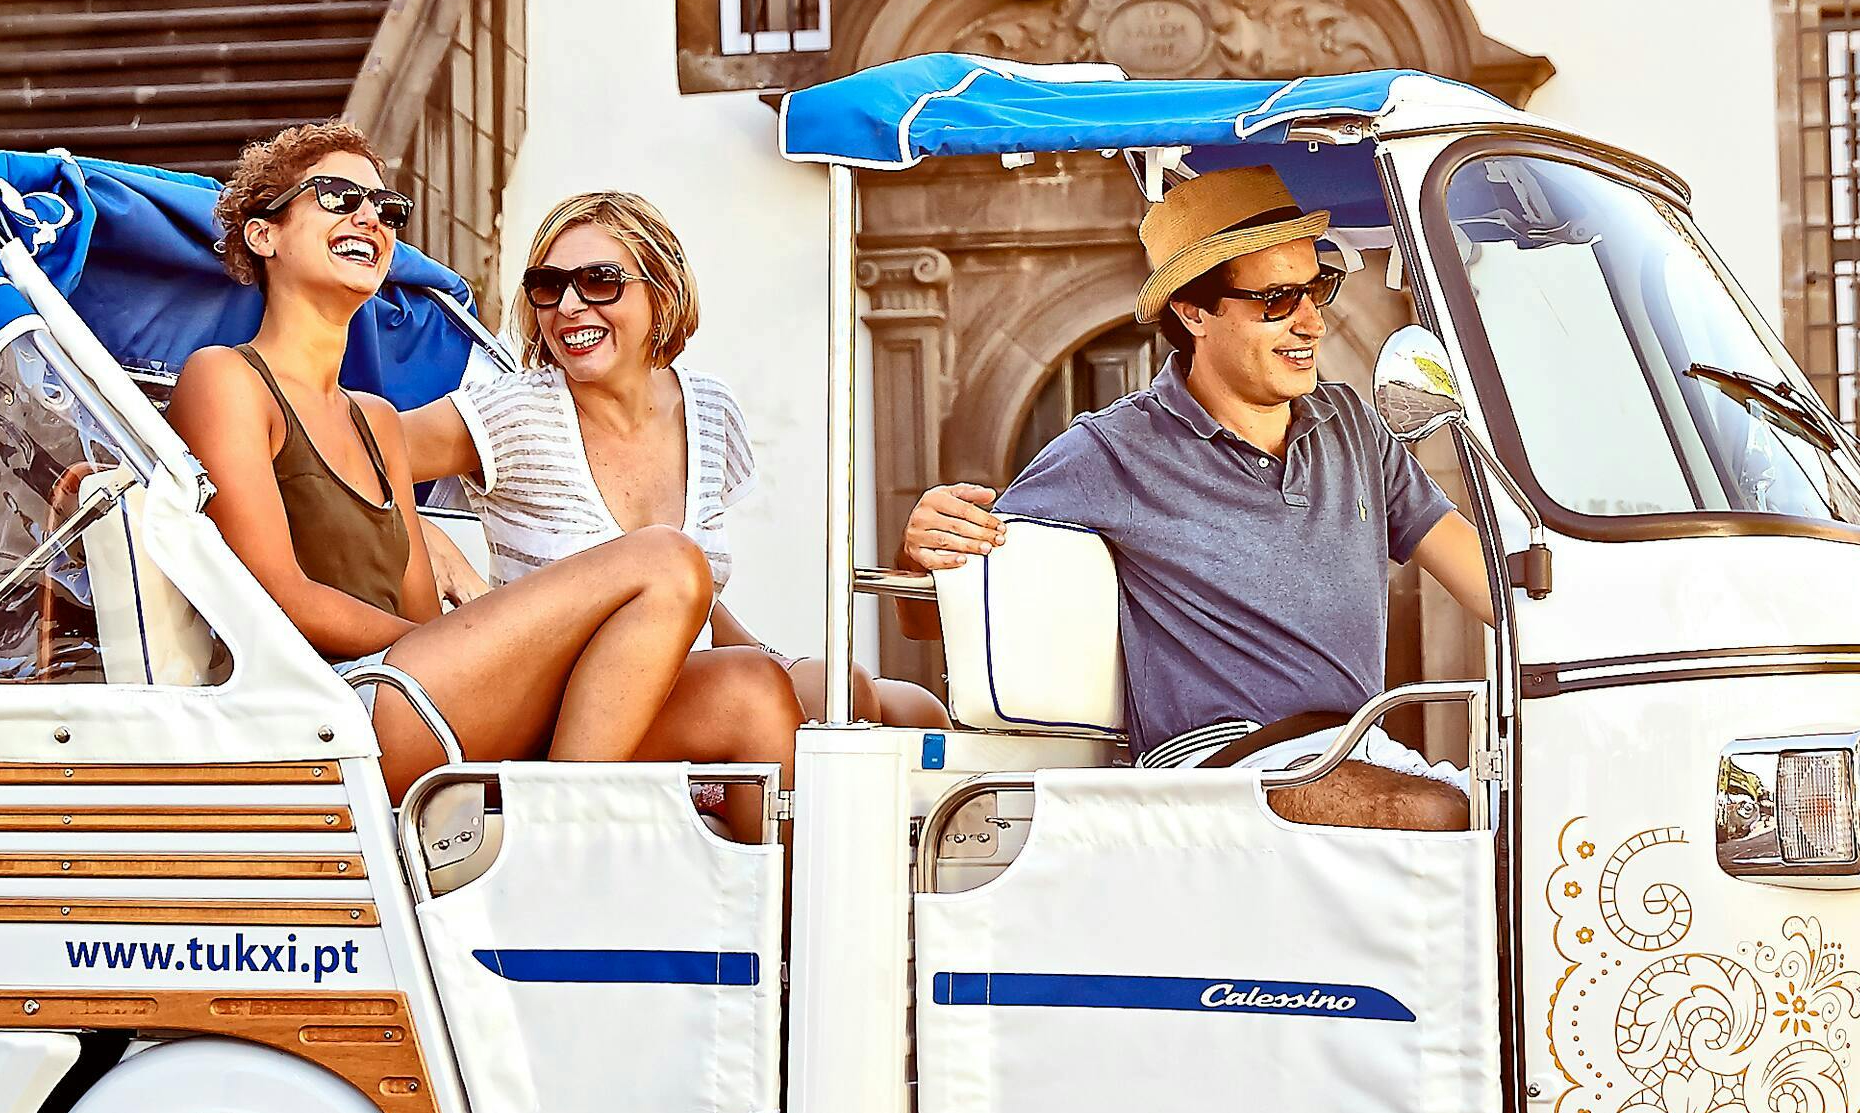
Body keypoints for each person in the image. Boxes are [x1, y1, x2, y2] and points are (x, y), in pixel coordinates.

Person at [162, 124, 775, 792]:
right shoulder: (226, 377)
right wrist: (497, 648)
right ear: (264, 233)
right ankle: (555, 826)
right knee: (666, 559)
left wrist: (478, 647)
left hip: (419, 692)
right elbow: (275, 596)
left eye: (387, 209)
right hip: (333, 707)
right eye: (339, 197)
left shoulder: (377, 421)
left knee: (754, 690)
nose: (370, 216)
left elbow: (424, 618)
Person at [895, 164, 1498, 832]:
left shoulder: (1352, 423)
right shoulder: (1115, 448)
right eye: (1277, 299)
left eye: (1317, 288)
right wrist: (924, 545)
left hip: (1353, 748)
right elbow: (939, 613)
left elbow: (1490, 583)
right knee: (1441, 814)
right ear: (1193, 311)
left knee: (1532, 814)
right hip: (1221, 769)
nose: (1311, 322)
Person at [397, 190, 943, 736]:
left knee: (884, 701)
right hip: (553, 707)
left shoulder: (709, 410)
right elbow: (343, 460)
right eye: (548, 285)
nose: (568, 306)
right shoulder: (509, 411)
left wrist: (778, 659)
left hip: (679, 685)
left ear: (662, 291)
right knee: (752, 695)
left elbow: (692, 597)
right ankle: (568, 807)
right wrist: (423, 532)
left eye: (598, 281)